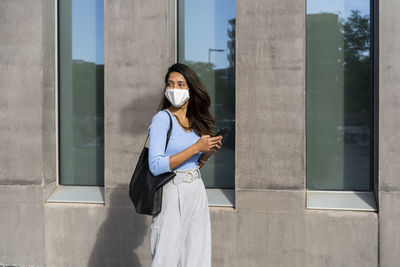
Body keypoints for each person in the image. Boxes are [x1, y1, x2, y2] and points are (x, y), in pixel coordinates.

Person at [147, 63, 223, 267]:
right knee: (167, 256)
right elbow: (155, 165)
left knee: (197, 255)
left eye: (181, 84)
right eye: (170, 84)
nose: (175, 89)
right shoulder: (162, 119)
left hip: (196, 188)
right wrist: (196, 147)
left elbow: (194, 163)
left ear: (191, 89)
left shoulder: (195, 120)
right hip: (172, 191)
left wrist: (205, 154)